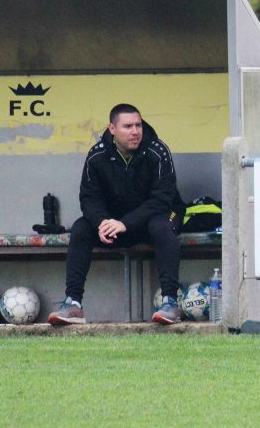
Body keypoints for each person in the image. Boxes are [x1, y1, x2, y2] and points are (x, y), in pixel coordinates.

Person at [48, 103, 186, 326]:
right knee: (81, 227)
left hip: (158, 216)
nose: (135, 131)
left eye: (138, 125)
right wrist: (102, 222)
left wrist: (125, 223)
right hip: (116, 223)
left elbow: (163, 200)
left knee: (162, 226)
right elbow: (89, 198)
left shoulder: (157, 151)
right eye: (128, 126)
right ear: (112, 129)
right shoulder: (97, 156)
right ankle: (73, 304)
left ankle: (170, 302)